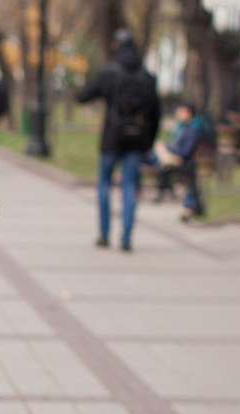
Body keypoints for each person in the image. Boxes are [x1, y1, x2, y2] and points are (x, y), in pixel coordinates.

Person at [76, 28, 161, 251]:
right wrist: (149, 143)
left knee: (104, 183)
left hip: (112, 137)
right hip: (137, 139)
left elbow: (84, 95)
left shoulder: (110, 73)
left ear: (116, 46)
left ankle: (104, 234)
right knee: (129, 185)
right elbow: (156, 114)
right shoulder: (147, 77)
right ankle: (126, 236)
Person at [148, 100, 202, 219]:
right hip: (176, 157)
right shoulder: (181, 127)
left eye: (181, 111)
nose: (178, 113)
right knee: (157, 150)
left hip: (183, 160)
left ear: (188, 113)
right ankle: (163, 185)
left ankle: (163, 186)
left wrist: (169, 149)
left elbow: (186, 151)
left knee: (157, 154)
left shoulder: (192, 129)